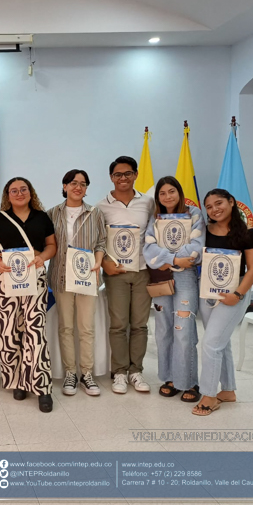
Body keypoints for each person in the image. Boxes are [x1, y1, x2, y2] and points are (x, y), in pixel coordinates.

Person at [0, 177, 57, 412]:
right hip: (5, 280)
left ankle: (42, 387)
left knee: (35, 332)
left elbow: (52, 246)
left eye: (23, 189)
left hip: (35, 277)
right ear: (7, 195)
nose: (19, 193)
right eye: (13, 190)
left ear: (30, 192)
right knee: (9, 332)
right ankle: (17, 381)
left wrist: (41, 258)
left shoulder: (42, 217)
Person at [192, 189, 253, 416]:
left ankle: (209, 395)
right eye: (209, 207)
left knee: (211, 343)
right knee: (221, 342)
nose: (214, 209)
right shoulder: (203, 231)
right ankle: (229, 390)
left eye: (219, 203)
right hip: (207, 290)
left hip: (234, 294)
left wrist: (238, 295)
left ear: (231, 202)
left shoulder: (249, 234)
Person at [96, 156, 155, 394]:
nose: (123, 178)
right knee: (119, 324)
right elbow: (98, 240)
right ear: (111, 177)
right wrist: (105, 264)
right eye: (118, 174)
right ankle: (119, 372)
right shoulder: (101, 206)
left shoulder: (149, 203)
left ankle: (136, 372)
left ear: (136, 175)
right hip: (116, 273)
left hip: (142, 271)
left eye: (128, 173)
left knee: (140, 324)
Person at [143, 177, 205, 403]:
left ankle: (188, 381)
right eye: (162, 193)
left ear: (179, 192)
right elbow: (149, 250)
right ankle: (169, 378)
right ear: (157, 197)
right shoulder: (155, 219)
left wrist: (172, 260)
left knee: (184, 330)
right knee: (163, 330)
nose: (167, 196)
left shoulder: (194, 214)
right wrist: (174, 260)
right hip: (161, 277)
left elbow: (196, 248)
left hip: (186, 280)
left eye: (172, 191)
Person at [47, 169, 106, 397]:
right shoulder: (52, 213)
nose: (78, 187)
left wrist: (98, 262)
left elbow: (101, 242)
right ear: (64, 186)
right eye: (73, 183)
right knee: (66, 328)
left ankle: (87, 374)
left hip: (86, 277)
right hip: (61, 278)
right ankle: (70, 373)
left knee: (86, 328)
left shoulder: (95, 214)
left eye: (83, 183)